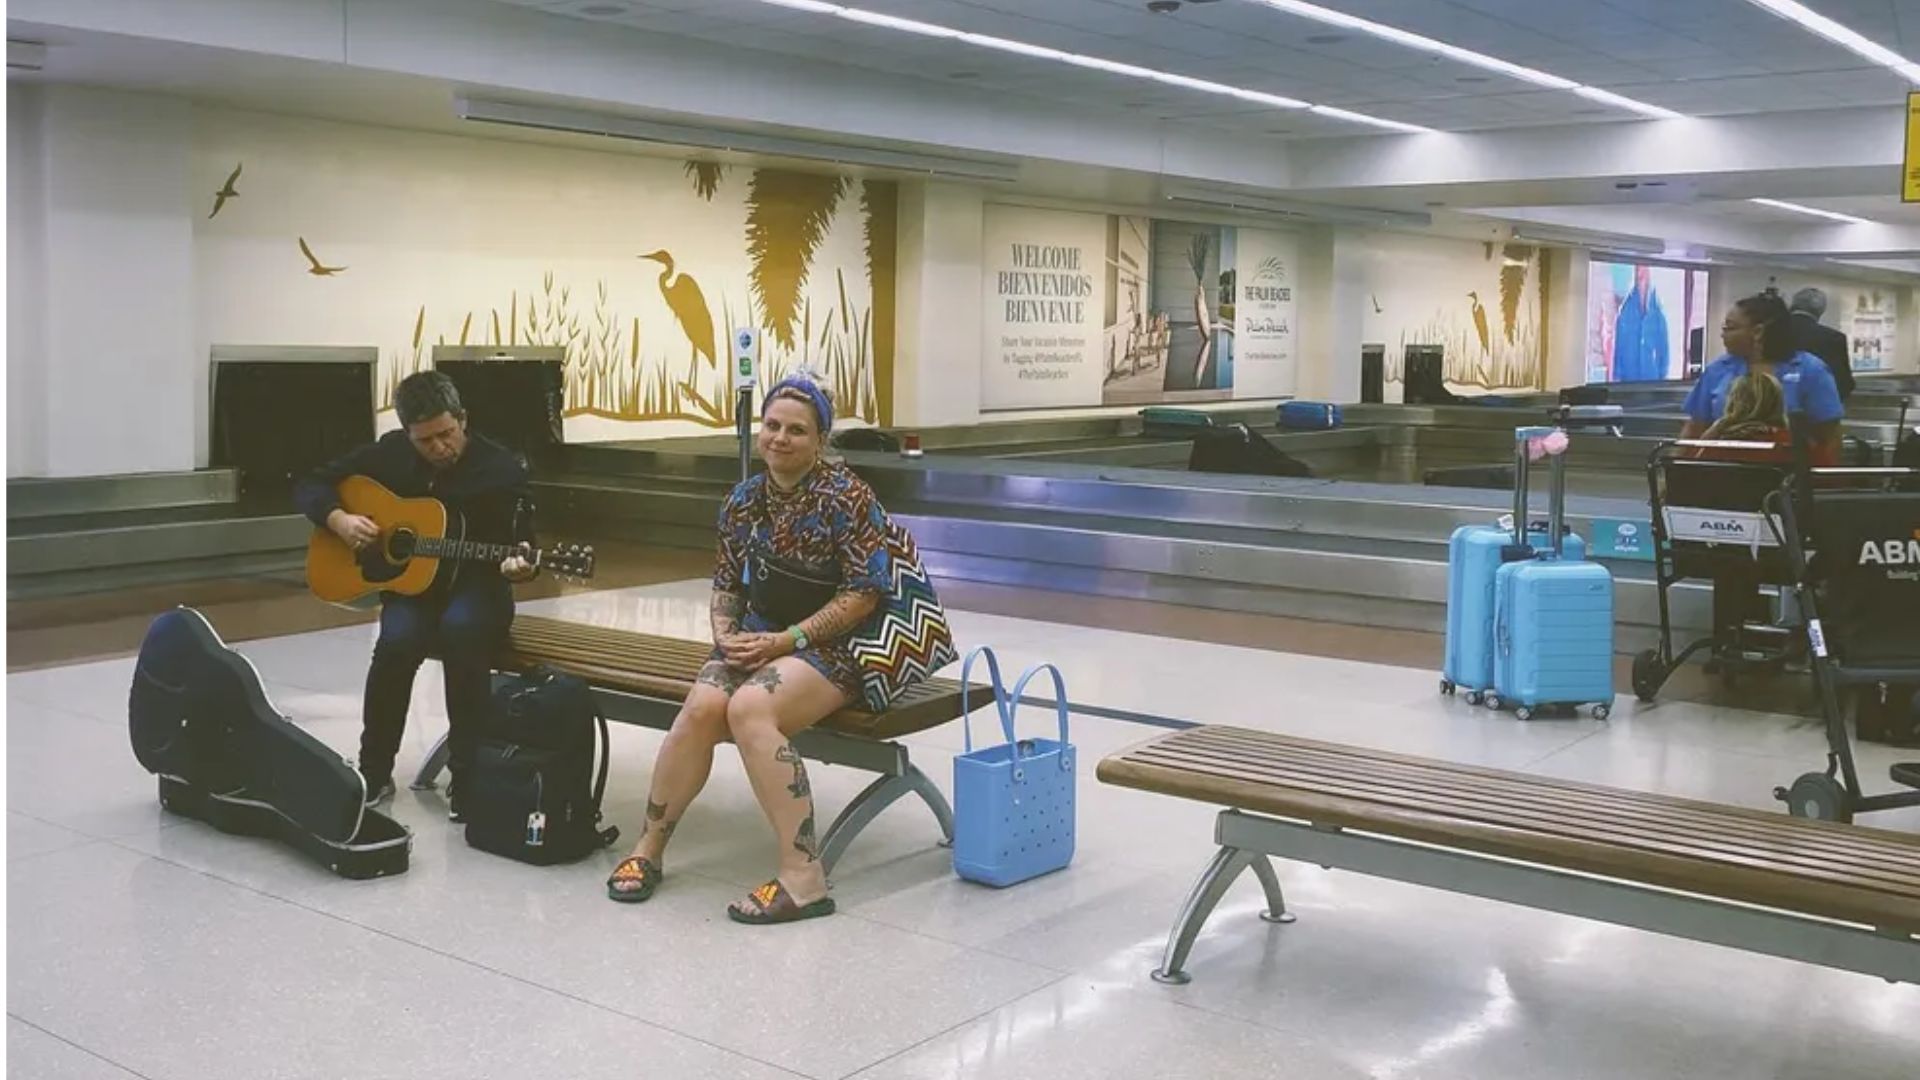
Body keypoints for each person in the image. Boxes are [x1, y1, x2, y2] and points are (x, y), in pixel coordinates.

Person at [605, 374, 892, 925]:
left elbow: (863, 594)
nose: (780, 438)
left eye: (797, 431)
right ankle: (649, 849)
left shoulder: (848, 497)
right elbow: (727, 586)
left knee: (749, 707)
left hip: (836, 646)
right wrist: (726, 636)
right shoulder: (743, 500)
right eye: (772, 426)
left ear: (821, 440)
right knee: (702, 707)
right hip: (762, 639)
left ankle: (804, 879)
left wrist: (790, 639)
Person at [293, 371, 537, 814]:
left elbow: (524, 545)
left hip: (478, 586)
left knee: (464, 634)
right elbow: (311, 484)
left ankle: (467, 777)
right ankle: (373, 770)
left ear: (463, 419)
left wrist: (520, 567)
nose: (440, 447)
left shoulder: (501, 468)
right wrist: (339, 520)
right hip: (415, 588)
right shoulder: (389, 453)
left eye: (447, 434)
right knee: (395, 643)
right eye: (426, 441)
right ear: (408, 433)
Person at [1682, 293, 1842, 467]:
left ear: (1758, 331)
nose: (1723, 334)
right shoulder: (1718, 369)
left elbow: (1829, 435)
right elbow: (1695, 428)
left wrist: (1825, 482)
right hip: (1722, 471)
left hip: (1787, 474)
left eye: (1730, 327)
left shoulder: (1810, 370)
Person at [1787, 287, 1855, 403]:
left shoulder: (1769, 332)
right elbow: (1843, 383)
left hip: (1775, 408)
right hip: (1816, 409)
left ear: (1793, 305)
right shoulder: (1833, 338)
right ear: (1821, 311)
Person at [1612, 264, 1670, 382]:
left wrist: (1663, 377)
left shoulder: (1658, 312)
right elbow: (1619, 348)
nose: (1641, 275)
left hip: (1652, 382)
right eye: (1638, 271)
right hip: (1629, 382)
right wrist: (1617, 378)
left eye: (1644, 271)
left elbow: (1664, 349)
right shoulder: (1625, 311)